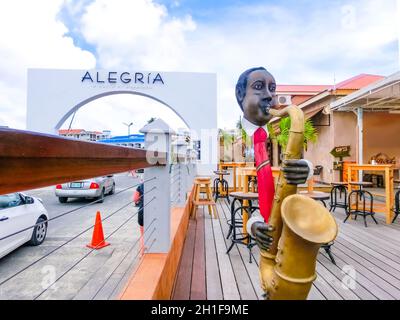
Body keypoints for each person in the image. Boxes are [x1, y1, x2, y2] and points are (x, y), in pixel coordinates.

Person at [235, 67, 313, 251]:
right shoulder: (232, 138)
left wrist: (306, 169)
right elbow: (240, 196)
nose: (269, 95)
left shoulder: (283, 129)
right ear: (240, 94)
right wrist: (252, 225)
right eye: (259, 86)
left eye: (272, 88)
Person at [134, 183, 145, 255]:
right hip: (155, 212)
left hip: (142, 211)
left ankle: (142, 254)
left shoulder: (141, 186)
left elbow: (135, 199)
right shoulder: (159, 183)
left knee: (143, 234)